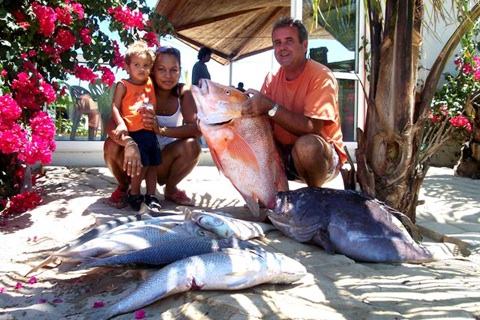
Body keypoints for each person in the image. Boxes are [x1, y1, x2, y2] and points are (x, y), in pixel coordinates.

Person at [241, 17, 347, 187]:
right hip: (286, 155)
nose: (282, 48)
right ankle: (275, 199)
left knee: (307, 146)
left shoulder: (321, 76)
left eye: (288, 41)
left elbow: (312, 127)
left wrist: (269, 106)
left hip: (322, 159)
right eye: (277, 43)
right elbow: (261, 124)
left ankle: (314, 198)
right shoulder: (271, 78)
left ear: (304, 46)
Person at [104, 46, 202, 210]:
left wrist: (160, 130)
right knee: (110, 144)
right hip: (135, 159)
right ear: (152, 70)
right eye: (161, 69)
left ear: (180, 71)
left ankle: (170, 189)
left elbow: (196, 129)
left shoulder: (182, 92)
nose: (168, 76)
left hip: (163, 160)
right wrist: (128, 143)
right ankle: (123, 188)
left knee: (193, 145)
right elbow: (110, 124)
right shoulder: (140, 89)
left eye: (174, 70)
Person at [110, 41, 161, 212]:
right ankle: (134, 193)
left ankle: (152, 195)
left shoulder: (149, 83)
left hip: (149, 131)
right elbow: (115, 106)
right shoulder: (123, 85)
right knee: (139, 166)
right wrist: (121, 124)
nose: (142, 69)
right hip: (134, 132)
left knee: (152, 166)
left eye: (146, 65)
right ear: (127, 66)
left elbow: (153, 104)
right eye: (137, 65)